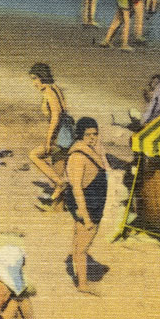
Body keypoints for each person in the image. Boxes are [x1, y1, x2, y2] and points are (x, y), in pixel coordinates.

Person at [64, 118, 109, 295]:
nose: (92, 138)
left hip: (92, 204)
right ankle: (82, 283)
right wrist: (86, 216)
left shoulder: (88, 151)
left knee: (78, 244)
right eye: (88, 134)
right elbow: (76, 187)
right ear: (80, 135)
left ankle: (80, 278)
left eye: (95, 134)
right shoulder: (77, 156)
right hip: (88, 207)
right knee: (82, 247)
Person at [26, 63, 73, 205]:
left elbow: (56, 117)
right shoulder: (55, 88)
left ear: (42, 77)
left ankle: (60, 184)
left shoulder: (49, 93)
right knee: (57, 169)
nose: (34, 83)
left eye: (35, 79)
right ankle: (57, 207)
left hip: (61, 136)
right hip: (67, 133)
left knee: (34, 155)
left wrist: (48, 140)